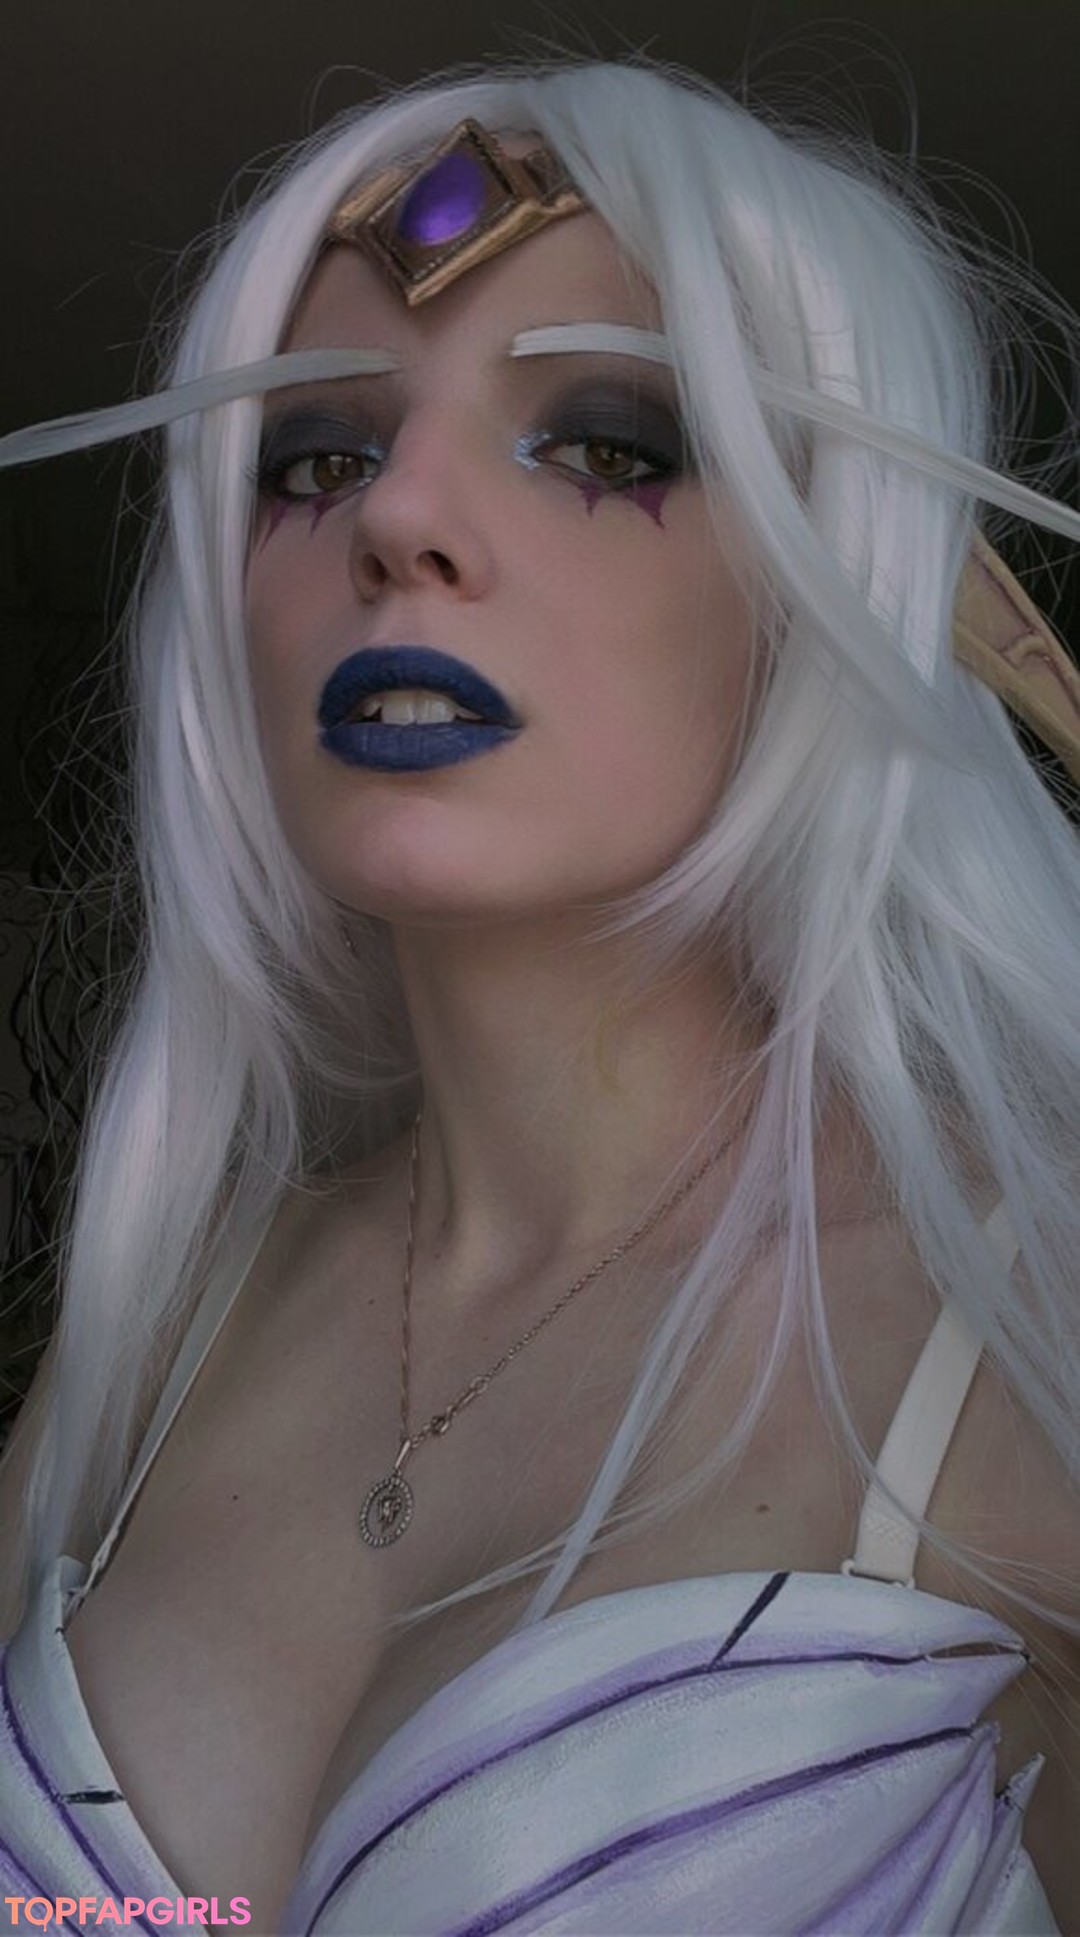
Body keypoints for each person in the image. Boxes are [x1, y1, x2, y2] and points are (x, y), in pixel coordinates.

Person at [1, 55, 1079, 1935]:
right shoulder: (153, 1335)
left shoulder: (1029, 1333)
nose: (397, 520)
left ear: (824, 585)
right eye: (314, 458)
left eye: (606, 443)